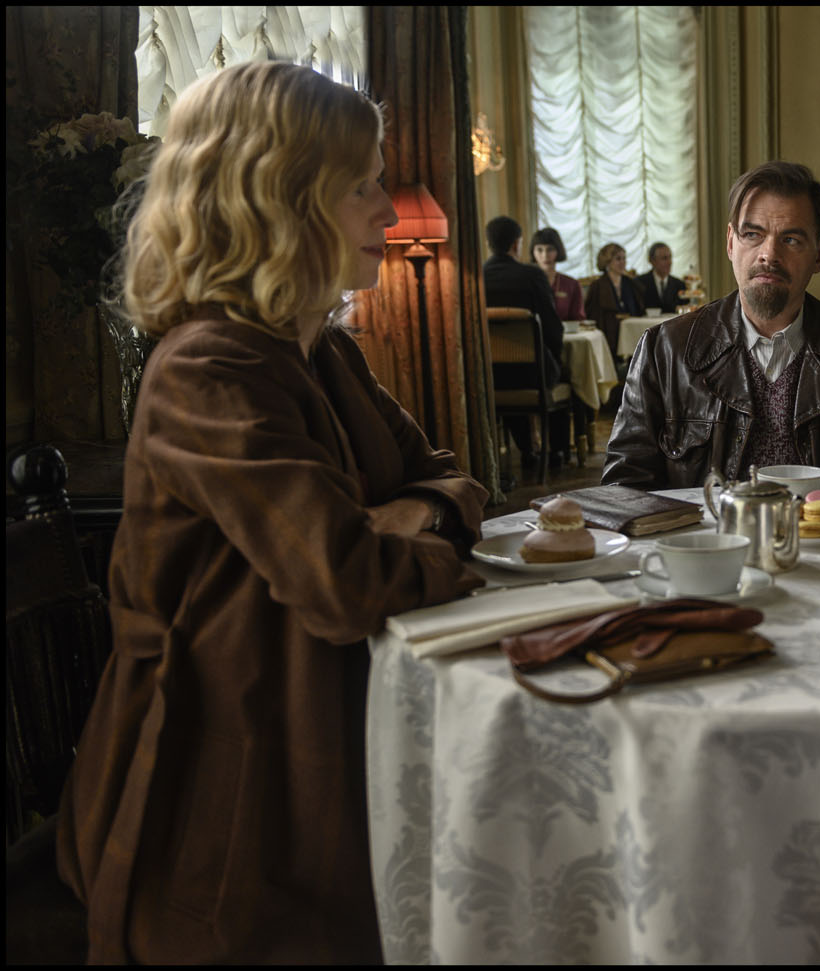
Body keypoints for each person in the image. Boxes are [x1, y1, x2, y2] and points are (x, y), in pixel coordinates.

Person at [55, 61, 488, 963]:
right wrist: (410, 532)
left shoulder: (324, 351)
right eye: (362, 187)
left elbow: (452, 480)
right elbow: (348, 585)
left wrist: (410, 516)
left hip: (322, 735)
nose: (388, 211)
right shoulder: (208, 368)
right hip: (225, 792)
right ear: (279, 200)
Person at [605, 160, 820, 490]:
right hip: (704, 527)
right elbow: (625, 488)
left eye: (790, 239)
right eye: (752, 234)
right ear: (731, 243)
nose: (768, 254)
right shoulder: (664, 350)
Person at [483, 214, 570, 467]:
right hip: (532, 374)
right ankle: (557, 452)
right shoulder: (531, 276)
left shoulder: (476, 276)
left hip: (489, 376)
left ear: (489, 244)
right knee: (564, 374)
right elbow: (552, 328)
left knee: (509, 373)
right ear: (516, 244)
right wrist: (554, 358)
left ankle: (527, 450)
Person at [530, 225, 585, 322]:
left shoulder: (572, 285)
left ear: (558, 251)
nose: (545, 255)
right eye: (539, 250)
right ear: (533, 252)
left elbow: (578, 320)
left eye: (550, 249)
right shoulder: (526, 282)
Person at [635, 240, 686, 313]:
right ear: (652, 261)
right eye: (664, 258)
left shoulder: (679, 285)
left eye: (670, 257)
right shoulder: (639, 283)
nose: (669, 262)